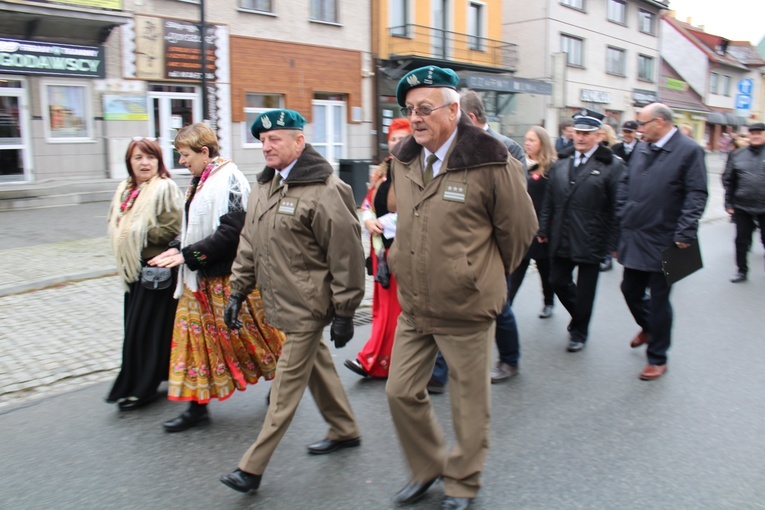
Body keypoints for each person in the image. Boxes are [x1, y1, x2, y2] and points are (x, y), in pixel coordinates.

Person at [385, 65, 537, 510]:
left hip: (466, 304)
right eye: (410, 109)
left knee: (469, 404)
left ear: (454, 111)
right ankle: (429, 465)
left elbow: (520, 230)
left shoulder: (492, 159)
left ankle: (463, 482)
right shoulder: (405, 157)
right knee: (399, 391)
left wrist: (480, 272)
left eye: (425, 108)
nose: (415, 118)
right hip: (415, 301)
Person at [219, 109, 365, 494]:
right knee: (317, 365)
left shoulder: (326, 189)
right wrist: (237, 290)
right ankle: (344, 427)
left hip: (309, 306)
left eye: (276, 140)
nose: (266, 146)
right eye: (263, 141)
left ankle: (251, 467)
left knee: (283, 391)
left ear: (299, 142)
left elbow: (346, 254)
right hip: (282, 300)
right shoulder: (264, 186)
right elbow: (250, 242)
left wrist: (345, 311)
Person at [149, 123, 284, 432]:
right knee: (193, 343)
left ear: (204, 152)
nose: (181, 162)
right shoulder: (201, 180)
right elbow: (192, 229)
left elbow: (232, 232)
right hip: (196, 280)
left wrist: (187, 255)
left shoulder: (231, 180)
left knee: (254, 338)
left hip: (227, 278)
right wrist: (175, 249)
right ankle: (196, 409)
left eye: (184, 155)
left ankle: (285, 383)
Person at [427, 89, 530, 391]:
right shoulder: (449, 148)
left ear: (468, 117)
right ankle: (439, 372)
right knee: (452, 306)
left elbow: (516, 209)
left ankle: (509, 359)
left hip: (491, 246)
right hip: (457, 246)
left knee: (499, 306)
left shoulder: (507, 148)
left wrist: (504, 254)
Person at [616, 103, 707, 380]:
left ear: (659, 122)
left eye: (642, 124)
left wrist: (685, 232)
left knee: (660, 300)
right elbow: (625, 181)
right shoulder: (643, 147)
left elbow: (697, 194)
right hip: (637, 232)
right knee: (629, 289)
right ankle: (649, 325)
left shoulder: (690, 150)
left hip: (670, 239)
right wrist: (623, 211)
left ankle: (657, 357)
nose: (638, 129)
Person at [105, 137, 183, 410]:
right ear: (130, 162)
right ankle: (153, 378)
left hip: (157, 272)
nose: (144, 162)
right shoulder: (125, 189)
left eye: (150, 157)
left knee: (145, 333)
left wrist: (135, 233)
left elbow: (172, 228)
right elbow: (118, 223)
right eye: (138, 157)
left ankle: (142, 388)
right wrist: (127, 231)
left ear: (159, 161)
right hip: (134, 271)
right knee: (138, 329)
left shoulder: (165, 188)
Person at [537, 108, 624, 353]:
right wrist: (543, 227)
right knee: (557, 280)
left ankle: (579, 332)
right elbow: (549, 200)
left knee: (586, 290)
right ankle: (580, 317)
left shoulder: (612, 165)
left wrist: (615, 242)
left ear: (598, 135)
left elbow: (618, 206)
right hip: (561, 233)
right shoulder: (561, 162)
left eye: (587, 133)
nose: (581, 138)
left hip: (592, 237)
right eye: (578, 132)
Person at [345, 117, 411, 379]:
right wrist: (369, 220)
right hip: (380, 250)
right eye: (394, 138)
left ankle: (373, 358)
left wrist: (386, 223)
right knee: (381, 308)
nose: (397, 143)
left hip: (401, 248)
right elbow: (366, 204)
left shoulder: (415, 170)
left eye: (403, 138)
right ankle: (383, 360)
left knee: (392, 308)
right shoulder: (382, 171)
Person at [507, 126, 557, 320]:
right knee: (518, 268)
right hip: (523, 227)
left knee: (546, 271)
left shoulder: (551, 167)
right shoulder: (520, 164)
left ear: (542, 143)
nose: (527, 143)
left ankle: (549, 302)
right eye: (526, 139)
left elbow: (551, 201)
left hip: (542, 227)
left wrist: (545, 228)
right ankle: (507, 303)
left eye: (532, 140)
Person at [722, 122, 765, 283]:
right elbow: (729, 180)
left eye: (759, 133)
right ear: (748, 135)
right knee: (741, 240)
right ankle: (741, 270)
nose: (755, 136)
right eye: (752, 133)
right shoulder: (738, 154)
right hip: (742, 205)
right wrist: (728, 203)